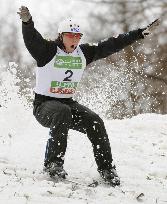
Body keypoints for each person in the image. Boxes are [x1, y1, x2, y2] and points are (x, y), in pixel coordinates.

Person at [17, 6, 159, 186]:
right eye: (70, 36)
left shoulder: (83, 53)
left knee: (95, 121)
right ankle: (53, 164)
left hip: (68, 104)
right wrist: (27, 22)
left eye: (77, 37)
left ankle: (106, 169)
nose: (74, 40)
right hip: (44, 106)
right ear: (61, 36)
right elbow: (32, 39)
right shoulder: (47, 51)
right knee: (61, 111)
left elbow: (110, 45)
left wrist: (137, 34)